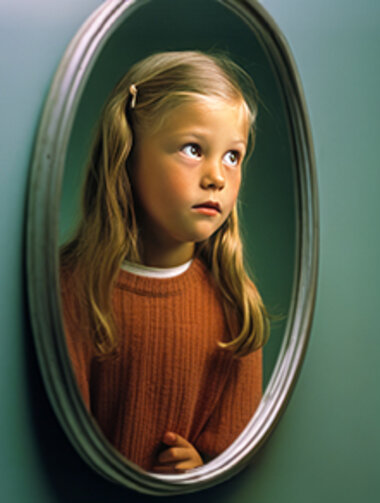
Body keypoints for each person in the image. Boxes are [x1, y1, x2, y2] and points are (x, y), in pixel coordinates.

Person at [60, 51, 267, 473]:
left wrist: (202, 466)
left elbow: (235, 456)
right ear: (128, 155)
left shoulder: (235, 304)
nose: (217, 176)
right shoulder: (71, 289)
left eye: (233, 156)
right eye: (193, 149)